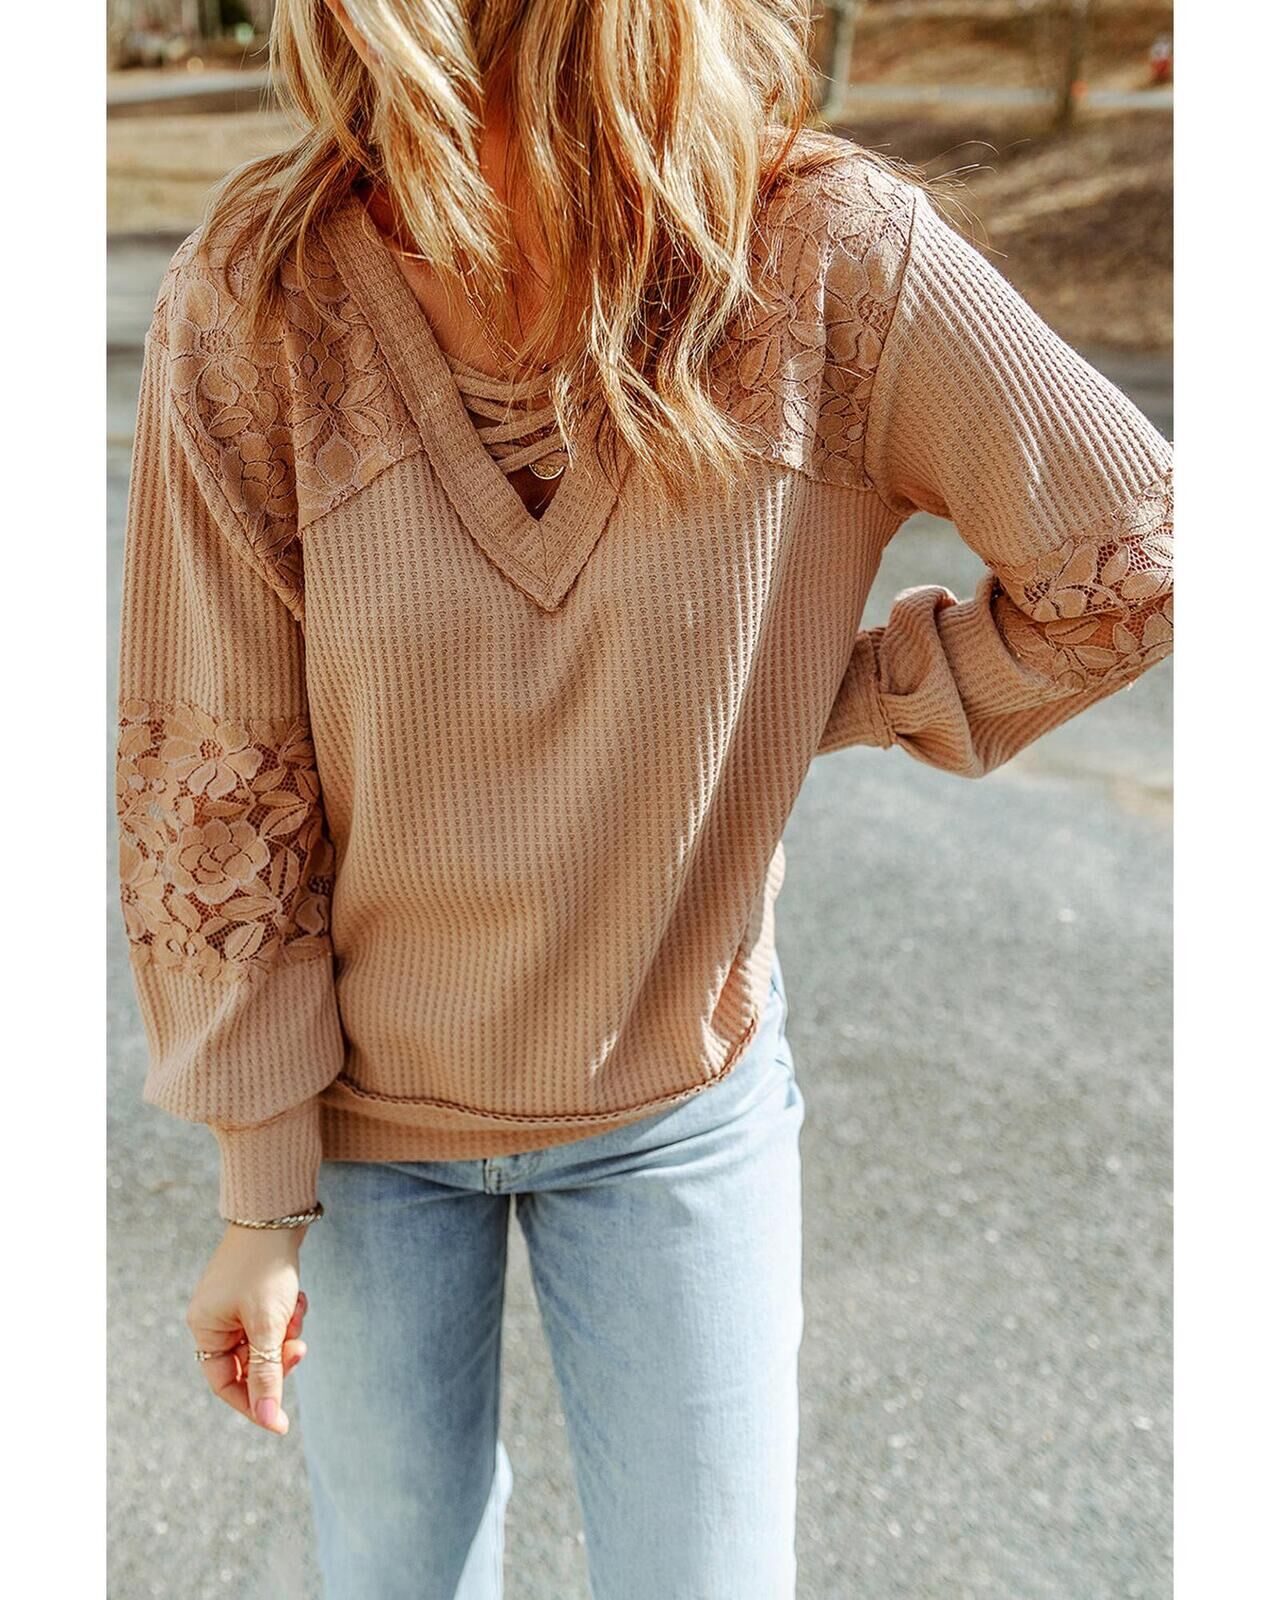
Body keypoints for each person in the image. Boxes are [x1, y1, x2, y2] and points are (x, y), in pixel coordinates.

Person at [113, 2, 1174, 1596]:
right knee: (393, 1576)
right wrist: (260, 1199)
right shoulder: (262, 298)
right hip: (357, 1138)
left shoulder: (827, 260)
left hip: (678, 1107)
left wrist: (832, 696)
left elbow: (1134, 564)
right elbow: (219, 774)